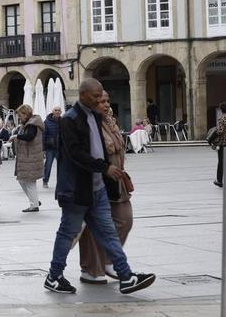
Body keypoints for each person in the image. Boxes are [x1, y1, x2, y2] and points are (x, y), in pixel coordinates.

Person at [44, 78, 155, 296]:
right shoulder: (69, 120)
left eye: (101, 96)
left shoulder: (95, 116)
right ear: (83, 95)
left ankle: (126, 276)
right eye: (95, 96)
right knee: (68, 233)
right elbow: (76, 154)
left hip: (97, 189)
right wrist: (105, 168)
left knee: (108, 233)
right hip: (76, 189)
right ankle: (54, 276)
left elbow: (99, 150)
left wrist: (106, 174)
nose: (99, 100)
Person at [78, 90, 134, 285]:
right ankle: (91, 268)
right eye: (100, 101)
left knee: (125, 219)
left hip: (117, 179)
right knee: (94, 228)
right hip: (99, 179)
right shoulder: (87, 123)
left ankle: (110, 260)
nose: (105, 104)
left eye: (107, 100)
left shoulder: (111, 121)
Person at [12, 104, 44, 213]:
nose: (19, 118)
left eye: (20, 115)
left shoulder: (32, 125)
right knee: (23, 180)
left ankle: (34, 205)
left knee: (29, 181)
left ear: (25, 114)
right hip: (28, 156)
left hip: (31, 156)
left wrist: (17, 136)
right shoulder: (29, 124)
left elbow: (30, 137)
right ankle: (34, 200)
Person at [43, 106, 62, 189]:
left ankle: (60, 182)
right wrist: (43, 148)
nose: (57, 112)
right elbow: (43, 135)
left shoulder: (63, 121)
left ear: (61, 112)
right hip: (50, 147)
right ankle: (45, 181)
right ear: (52, 111)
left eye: (59, 110)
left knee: (61, 166)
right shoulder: (46, 122)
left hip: (60, 147)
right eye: (56, 110)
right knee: (48, 165)